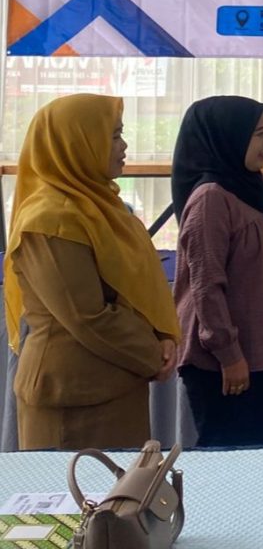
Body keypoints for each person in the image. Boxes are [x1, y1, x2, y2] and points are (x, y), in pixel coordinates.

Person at [3, 94, 179, 450]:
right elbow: (86, 315)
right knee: (75, 486)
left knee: (123, 484)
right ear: (77, 143)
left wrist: (162, 335)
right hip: (71, 397)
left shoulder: (100, 205)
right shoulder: (50, 219)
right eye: (113, 136)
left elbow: (133, 288)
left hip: (116, 382)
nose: (124, 146)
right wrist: (152, 352)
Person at [172, 96, 263, 447]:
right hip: (220, 359)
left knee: (260, 453)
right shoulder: (211, 200)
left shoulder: (261, 186)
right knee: (229, 455)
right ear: (229, 138)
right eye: (259, 134)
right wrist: (229, 354)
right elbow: (206, 287)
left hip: (259, 343)